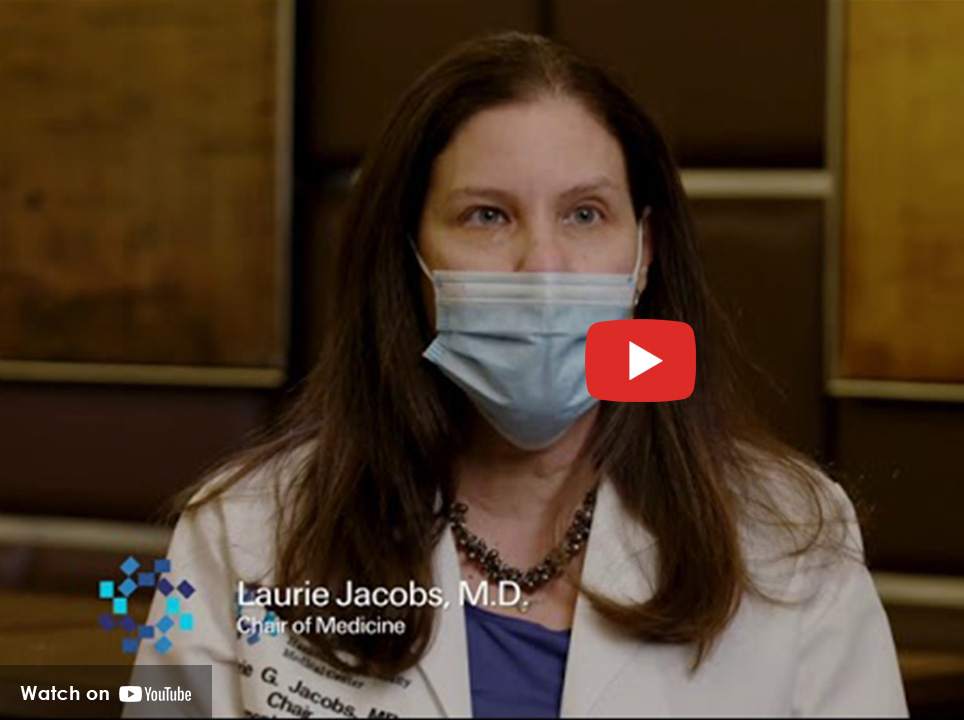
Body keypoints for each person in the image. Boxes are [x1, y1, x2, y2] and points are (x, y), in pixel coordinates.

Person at [130, 31, 908, 718]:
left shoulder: (791, 534)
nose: (543, 267)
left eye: (584, 214)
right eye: (488, 216)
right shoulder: (243, 532)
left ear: (645, 255)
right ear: (409, 257)